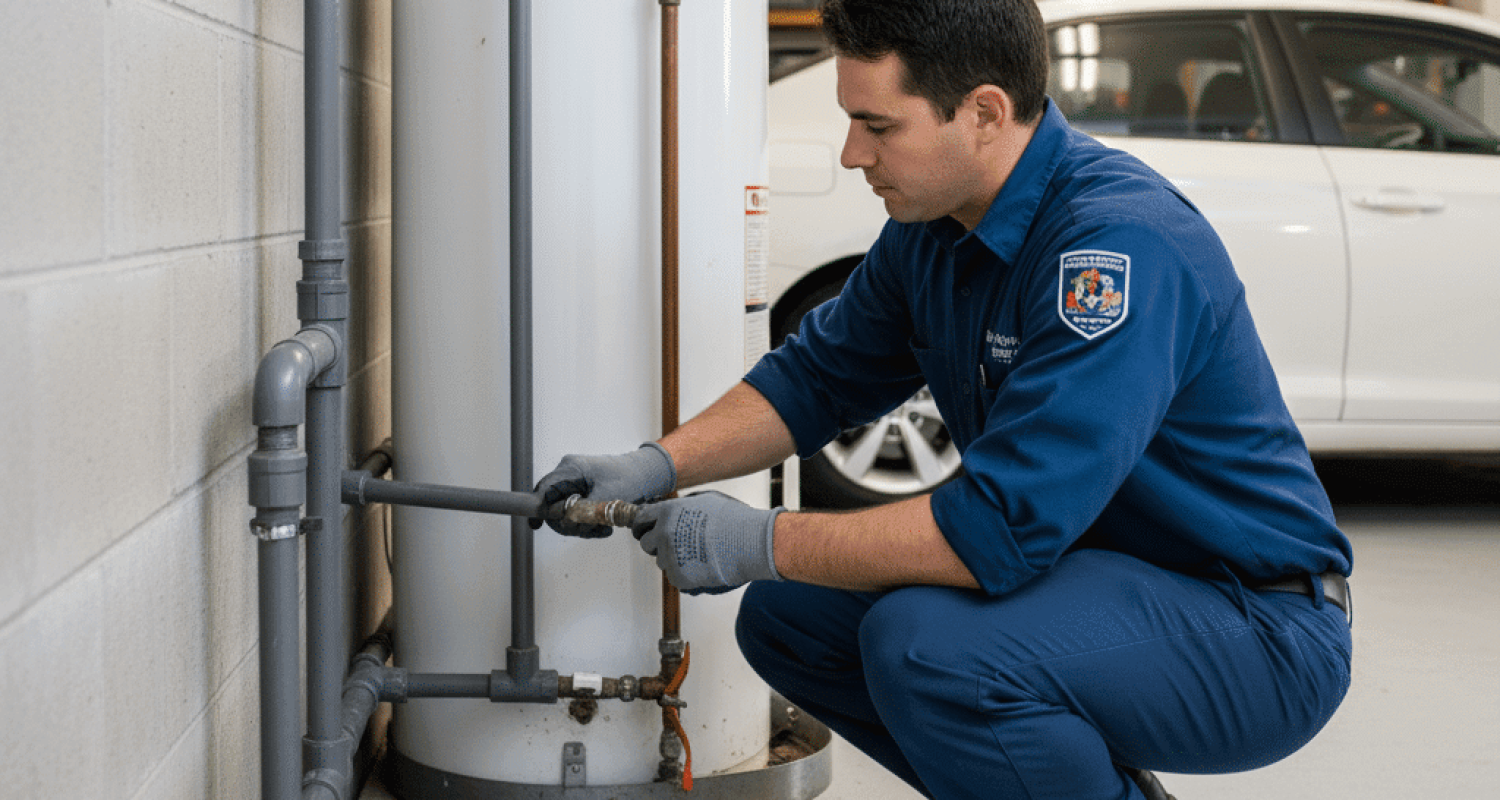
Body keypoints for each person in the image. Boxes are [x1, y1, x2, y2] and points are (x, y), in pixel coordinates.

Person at [534, 0, 1353, 797]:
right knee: (790, 620)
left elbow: (998, 530)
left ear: (984, 113)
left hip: (1251, 625)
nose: (852, 154)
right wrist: (655, 464)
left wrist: (761, 538)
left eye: (878, 126)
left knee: (928, 650)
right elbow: (814, 379)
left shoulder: (1114, 247)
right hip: (1093, 581)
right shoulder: (933, 230)